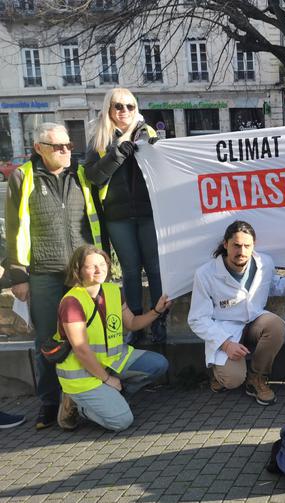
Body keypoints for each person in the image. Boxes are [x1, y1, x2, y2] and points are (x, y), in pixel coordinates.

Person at [5, 123, 102, 430]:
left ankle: (85, 396)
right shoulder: (23, 176)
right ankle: (49, 402)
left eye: (69, 146)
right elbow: (13, 228)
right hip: (44, 272)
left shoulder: (81, 175)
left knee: (88, 335)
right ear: (39, 149)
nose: (65, 151)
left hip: (81, 273)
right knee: (47, 340)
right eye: (58, 146)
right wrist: (17, 276)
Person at [188, 220, 285, 406]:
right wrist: (226, 344)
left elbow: (272, 286)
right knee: (232, 380)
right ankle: (218, 374)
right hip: (226, 330)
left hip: (254, 321)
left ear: (254, 245)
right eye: (236, 245)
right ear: (225, 245)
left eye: (247, 246)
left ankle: (257, 378)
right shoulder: (206, 274)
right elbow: (197, 319)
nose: (242, 251)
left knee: (275, 325)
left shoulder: (264, 263)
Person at [55, 245, 170, 432]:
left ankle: (114, 397)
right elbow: (81, 350)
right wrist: (107, 379)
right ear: (78, 270)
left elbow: (132, 323)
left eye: (102, 264)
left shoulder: (112, 291)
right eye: (92, 266)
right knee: (122, 421)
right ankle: (77, 405)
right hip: (82, 374)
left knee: (158, 364)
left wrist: (157, 311)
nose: (99, 270)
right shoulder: (71, 302)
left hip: (113, 360)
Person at [83, 88, 165, 344]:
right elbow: (93, 176)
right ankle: (135, 326)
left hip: (149, 213)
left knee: (155, 270)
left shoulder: (148, 132)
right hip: (117, 216)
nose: (124, 112)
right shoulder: (99, 139)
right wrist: (117, 152)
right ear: (109, 109)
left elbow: (163, 167)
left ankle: (160, 323)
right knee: (130, 271)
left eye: (130, 106)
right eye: (118, 106)